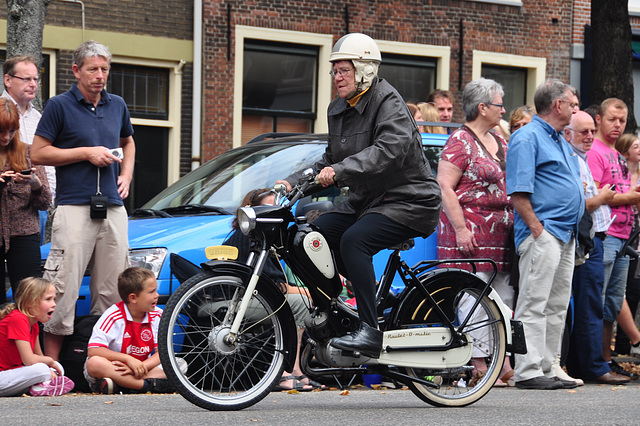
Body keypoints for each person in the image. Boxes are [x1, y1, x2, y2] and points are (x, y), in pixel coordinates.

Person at [277, 33, 442, 358]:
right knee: (315, 233)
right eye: (334, 71)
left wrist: (340, 172)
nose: (337, 77)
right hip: (369, 202)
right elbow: (330, 158)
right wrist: (292, 181)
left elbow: (387, 152)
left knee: (355, 240)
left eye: (344, 70)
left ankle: (369, 330)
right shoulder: (338, 109)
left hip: (409, 200)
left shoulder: (388, 102)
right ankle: (336, 307)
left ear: (364, 70)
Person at [31, 40, 136, 361]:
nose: (100, 76)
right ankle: (51, 364)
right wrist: (86, 153)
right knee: (62, 285)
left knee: (113, 285)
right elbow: (38, 152)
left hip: (113, 208)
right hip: (75, 205)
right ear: (76, 71)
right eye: (93, 69)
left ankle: (100, 361)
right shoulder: (59, 106)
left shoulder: (117, 104)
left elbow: (128, 142)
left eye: (104, 69)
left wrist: (126, 175)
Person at [506, 78, 584, 390]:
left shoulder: (558, 139)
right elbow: (518, 193)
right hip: (545, 233)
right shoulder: (528, 138)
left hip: (564, 234)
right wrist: (538, 230)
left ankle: (549, 366)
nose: (575, 108)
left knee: (557, 303)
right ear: (557, 105)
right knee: (533, 301)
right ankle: (527, 370)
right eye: (572, 103)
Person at [436, 77, 514, 386]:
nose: (503, 109)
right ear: (482, 107)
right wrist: (461, 229)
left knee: (503, 297)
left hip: (501, 237)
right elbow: (445, 186)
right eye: (499, 104)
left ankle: (503, 359)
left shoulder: (500, 139)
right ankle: (480, 362)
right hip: (470, 233)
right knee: (474, 298)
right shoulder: (460, 140)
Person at [223, 188, 323, 391]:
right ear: (250, 211)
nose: (271, 215)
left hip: (252, 298)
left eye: (275, 209)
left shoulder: (258, 236)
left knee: (300, 300)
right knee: (298, 302)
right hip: (236, 301)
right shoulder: (252, 237)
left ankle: (295, 371)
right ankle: (285, 372)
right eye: (266, 209)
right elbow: (274, 286)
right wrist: (306, 293)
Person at [563, 111, 628, 384]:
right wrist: (602, 196)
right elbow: (580, 204)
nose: (590, 136)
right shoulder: (573, 160)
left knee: (592, 304)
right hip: (585, 240)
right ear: (568, 133)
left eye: (591, 131)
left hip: (595, 237)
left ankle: (583, 365)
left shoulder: (582, 158)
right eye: (584, 132)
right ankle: (593, 366)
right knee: (589, 304)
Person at [586, 98, 640, 378]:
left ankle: (606, 360)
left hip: (622, 237)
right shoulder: (595, 151)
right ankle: (595, 362)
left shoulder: (615, 152)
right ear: (598, 119)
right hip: (606, 236)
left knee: (612, 301)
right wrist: (630, 197)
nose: (618, 125)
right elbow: (595, 195)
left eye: (622, 120)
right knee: (600, 297)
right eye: (612, 120)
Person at [84, 267, 175, 394]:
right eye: (151, 292)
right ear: (133, 298)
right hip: (117, 366)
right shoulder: (113, 315)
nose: (157, 295)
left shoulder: (158, 316)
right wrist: (128, 359)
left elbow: (162, 353)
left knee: (180, 364)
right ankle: (145, 386)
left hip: (143, 367)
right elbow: (94, 350)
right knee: (94, 363)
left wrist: (139, 367)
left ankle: (120, 384)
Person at [0, 99, 51, 304]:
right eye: (2, 131)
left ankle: (30, 337)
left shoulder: (29, 153)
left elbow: (45, 202)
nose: (6, 137)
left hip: (24, 232)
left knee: (29, 299)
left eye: (12, 131)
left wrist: (35, 182)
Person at [2, 55, 56, 244]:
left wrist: (50, 198)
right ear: (8, 80)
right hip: (3, 206)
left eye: (35, 79)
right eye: (26, 79)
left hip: (34, 208)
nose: (33, 84)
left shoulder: (38, 118)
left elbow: (47, 161)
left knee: (27, 270)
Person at [0, 277, 75, 397]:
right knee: (42, 369)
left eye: (54, 299)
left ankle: (40, 385)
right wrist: (50, 362)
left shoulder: (33, 324)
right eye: (48, 299)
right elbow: (29, 360)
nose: (54, 304)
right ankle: (40, 386)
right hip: (3, 375)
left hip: (10, 375)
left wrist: (51, 365)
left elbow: (39, 356)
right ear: (30, 302)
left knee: (54, 367)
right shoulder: (18, 319)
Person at [611, 134, 640, 362]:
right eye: (636, 145)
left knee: (630, 290)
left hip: (634, 232)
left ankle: (630, 344)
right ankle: (625, 344)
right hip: (619, 232)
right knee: (621, 291)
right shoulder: (619, 171)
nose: (639, 149)